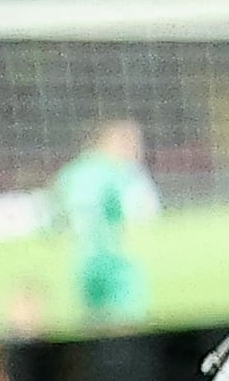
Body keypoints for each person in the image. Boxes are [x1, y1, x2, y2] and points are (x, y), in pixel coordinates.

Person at [48, 128, 154, 332]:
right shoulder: (115, 172)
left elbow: (56, 211)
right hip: (115, 260)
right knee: (127, 326)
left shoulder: (71, 172)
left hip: (84, 260)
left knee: (92, 325)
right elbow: (131, 211)